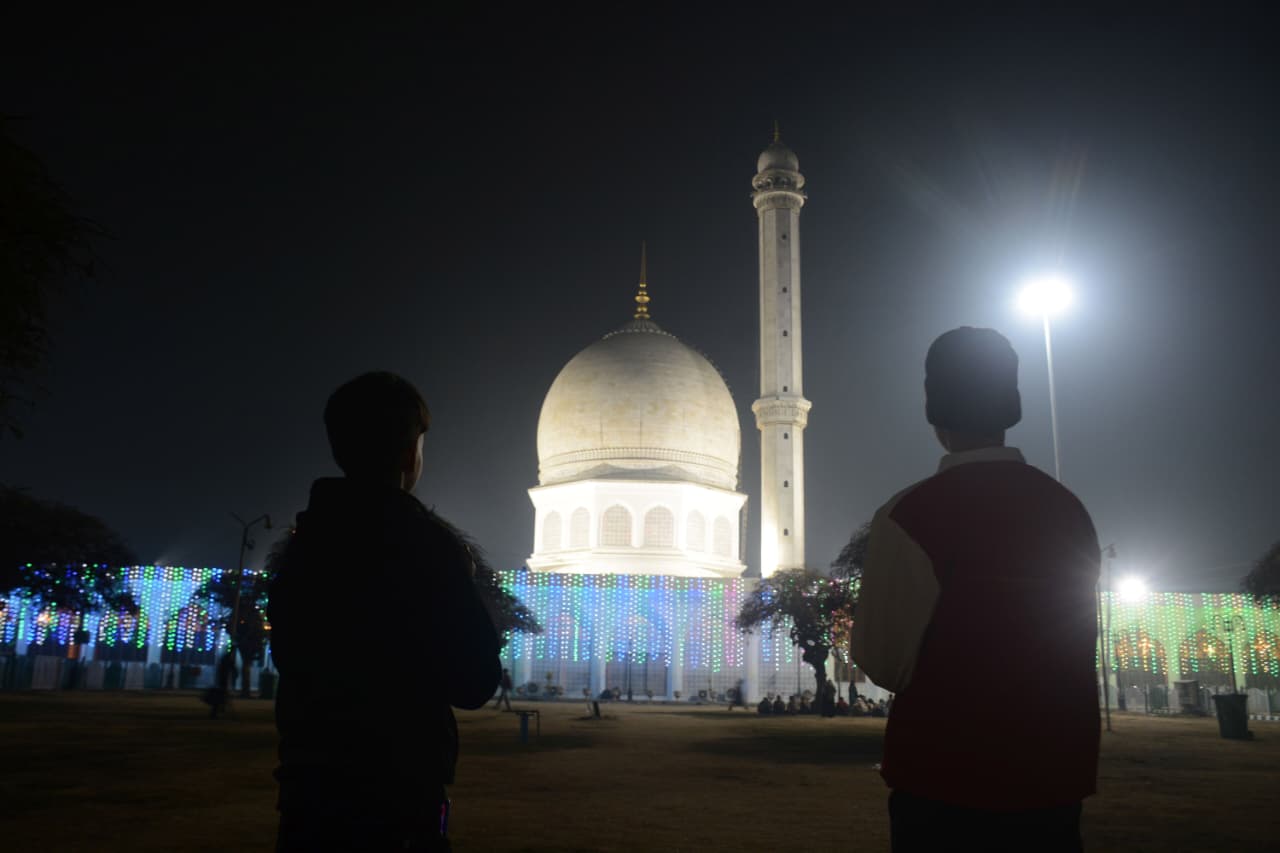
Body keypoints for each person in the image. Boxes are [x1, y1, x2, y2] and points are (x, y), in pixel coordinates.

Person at [850, 327, 1100, 853]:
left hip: (943, 781)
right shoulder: (1069, 511)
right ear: (1010, 406)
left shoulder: (909, 515)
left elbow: (882, 661)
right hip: (1051, 777)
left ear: (935, 414)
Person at [268, 372, 502, 852]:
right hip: (398, 795)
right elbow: (475, 681)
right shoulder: (427, 548)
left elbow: (292, 656)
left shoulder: (304, 546)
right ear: (411, 453)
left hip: (310, 792)